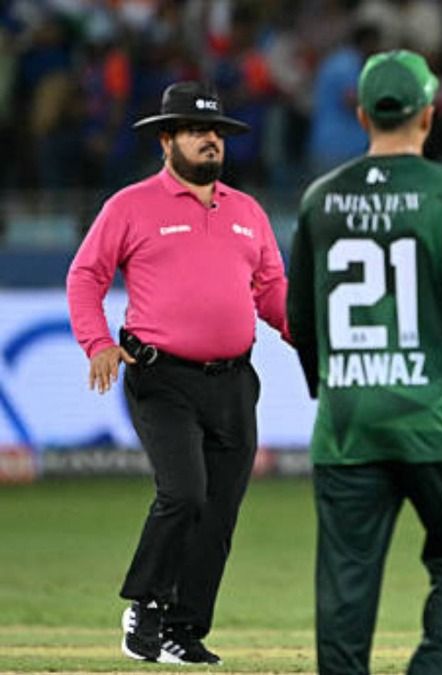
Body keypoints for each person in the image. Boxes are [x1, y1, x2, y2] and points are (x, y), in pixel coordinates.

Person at [286, 50, 442, 675]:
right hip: (430, 419)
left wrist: (327, 385)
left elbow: (299, 317)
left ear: (361, 114)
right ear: (429, 115)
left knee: (344, 584)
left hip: (347, 421)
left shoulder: (319, 198)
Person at [65, 81, 289, 665]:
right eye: (195, 130)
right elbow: (85, 276)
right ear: (166, 141)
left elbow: (272, 293)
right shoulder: (130, 206)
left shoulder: (247, 212)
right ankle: (145, 602)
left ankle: (182, 630)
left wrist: (310, 338)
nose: (210, 140)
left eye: (216, 132)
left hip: (235, 381)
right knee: (185, 493)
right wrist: (96, 342)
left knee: (219, 514)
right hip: (160, 377)